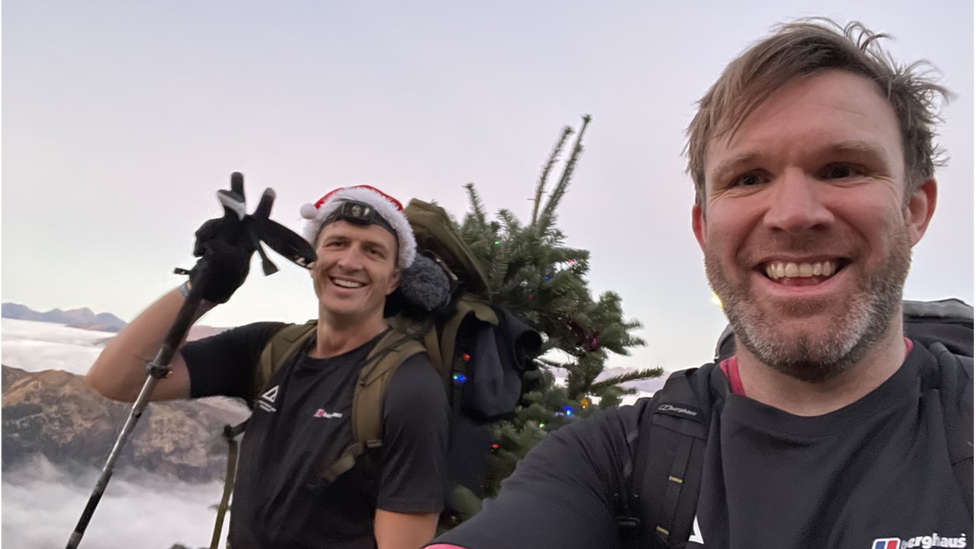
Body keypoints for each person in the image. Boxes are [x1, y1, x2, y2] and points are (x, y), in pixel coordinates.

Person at [427, 18, 974, 549]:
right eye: (749, 178)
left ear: (914, 210)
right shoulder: (612, 459)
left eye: (842, 169)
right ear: (703, 228)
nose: (792, 214)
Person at [86, 185, 450, 549]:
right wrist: (202, 288)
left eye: (373, 251)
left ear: (394, 278)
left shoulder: (409, 387)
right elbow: (115, 379)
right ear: (311, 260)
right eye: (337, 243)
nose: (350, 262)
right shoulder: (269, 349)